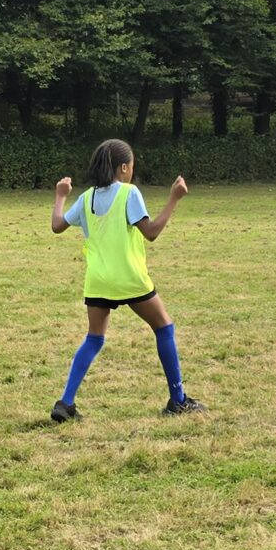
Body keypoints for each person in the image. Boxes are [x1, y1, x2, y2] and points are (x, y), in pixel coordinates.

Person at [49, 139, 198, 423]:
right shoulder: (129, 193)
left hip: (98, 281)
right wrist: (174, 199)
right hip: (129, 278)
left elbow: (57, 226)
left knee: (94, 338)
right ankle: (178, 400)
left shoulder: (87, 197)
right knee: (164, 328)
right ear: (124, 168)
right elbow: (150, 232)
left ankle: (65, 403)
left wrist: (60, 195)